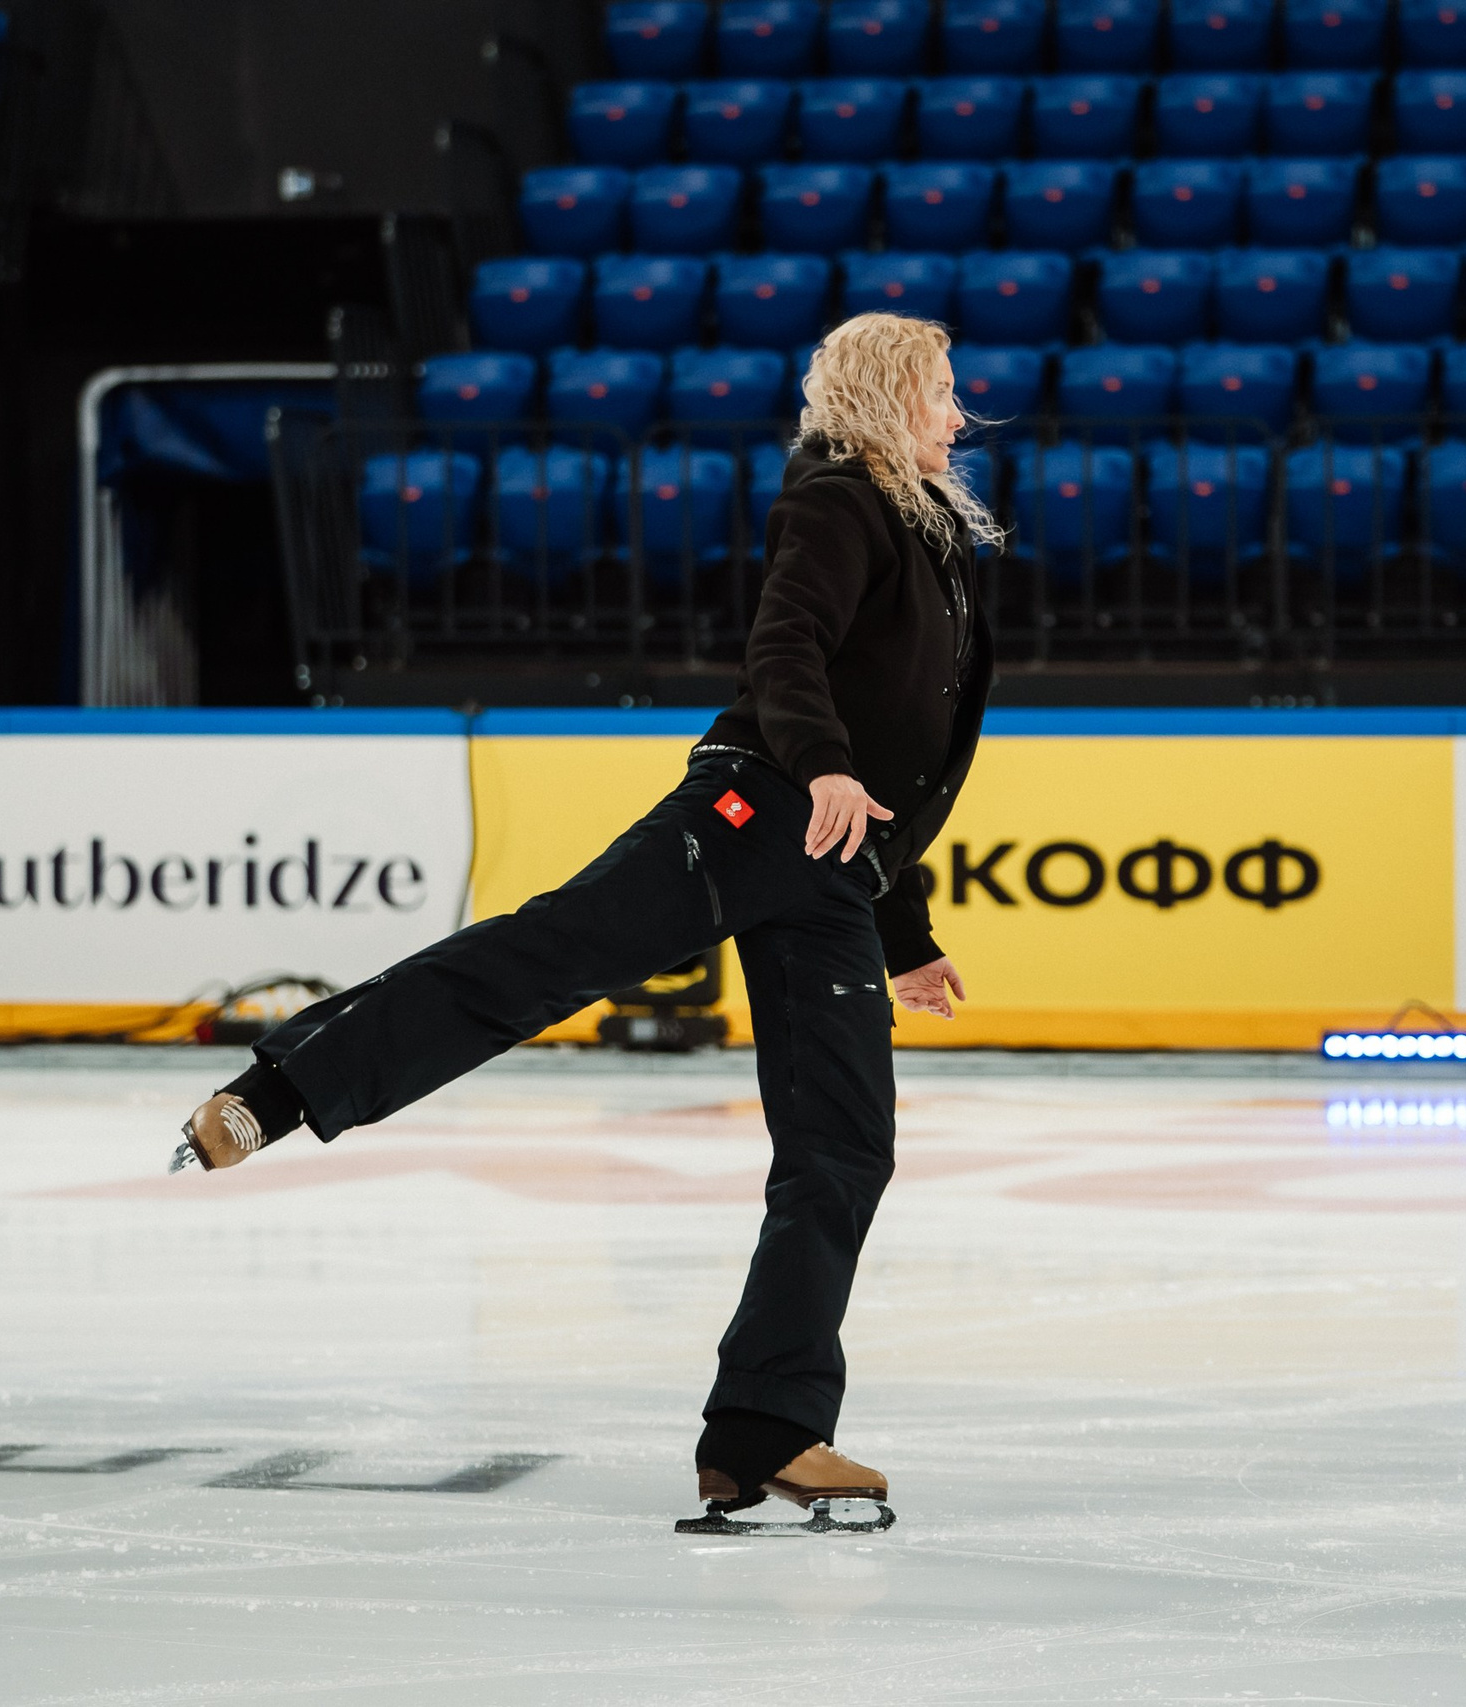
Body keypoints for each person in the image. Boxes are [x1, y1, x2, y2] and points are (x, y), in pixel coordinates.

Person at [171, 312, 1001, 1527]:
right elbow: (788, 649)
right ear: (882, 393)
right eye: (938, 388)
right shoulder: (836, 496)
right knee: (541, 960)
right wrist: (821, 767)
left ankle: (764, 1431)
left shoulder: (930, 534)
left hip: (830, 863)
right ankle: (278, 1092)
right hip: (753, 809)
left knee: (842, 1146)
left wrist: (905, 930)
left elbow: (896, 752)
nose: (959, 410)